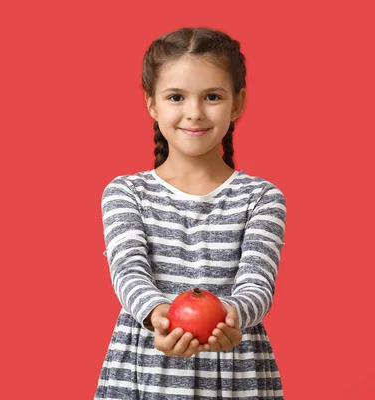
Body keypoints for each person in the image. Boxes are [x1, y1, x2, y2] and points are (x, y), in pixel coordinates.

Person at [95, 26, 287, 399]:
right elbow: (128, 270)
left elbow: (257, 282)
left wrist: (230, 317)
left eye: (212, 96)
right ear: (152, 103)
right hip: (144, 364)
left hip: (235, 366)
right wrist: (159, 315)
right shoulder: (125, 192)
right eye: (176, 97)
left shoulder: (261, 197)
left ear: (237, 103)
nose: (194, 113)